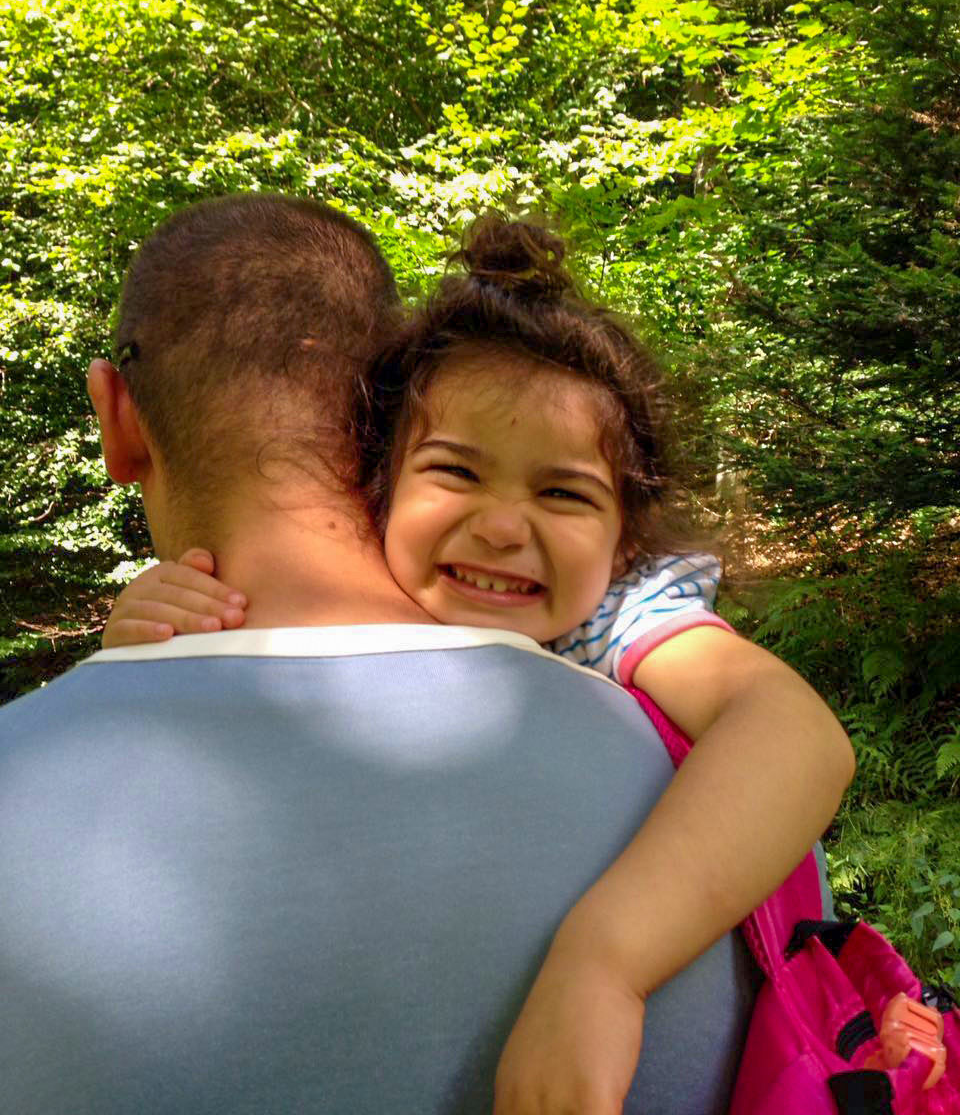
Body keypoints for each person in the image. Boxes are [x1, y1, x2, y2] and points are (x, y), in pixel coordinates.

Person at [101, 207, 855, 1112]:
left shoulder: (622, 617)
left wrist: (602, 965)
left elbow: (798, 736)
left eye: (564, 492)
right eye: (457, 473)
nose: (501, 528)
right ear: (370, 484)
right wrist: (146, 629)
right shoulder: (371, 588)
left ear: (624, 541)